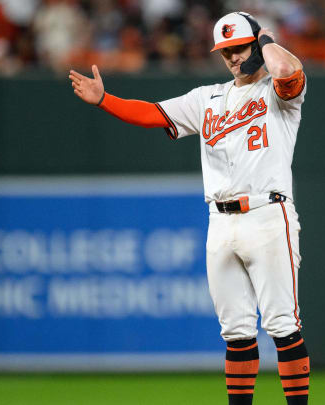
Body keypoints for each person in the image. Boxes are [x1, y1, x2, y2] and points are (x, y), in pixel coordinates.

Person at [69, 11, 309, 405]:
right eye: (225, 51)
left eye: (239, 48)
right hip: (220, 220)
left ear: (257, 43)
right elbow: (152, 113)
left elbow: (285, 69)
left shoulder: (280, 94)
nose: (232, 57)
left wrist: (266, 39)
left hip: (268, 213)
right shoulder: (206, 98)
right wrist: (105, 101)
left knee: (283, 324)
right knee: (235, 332)